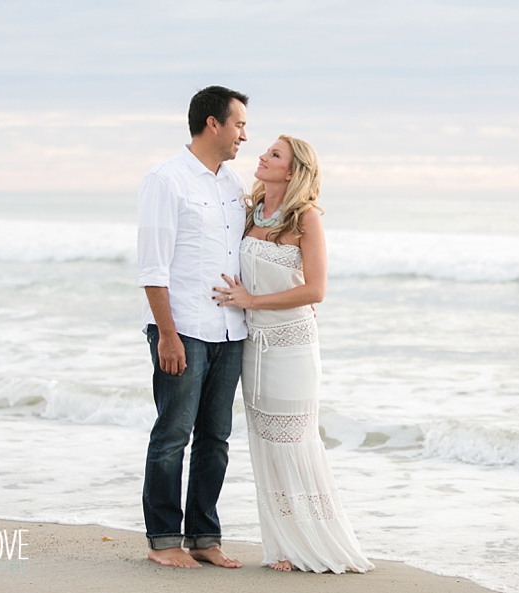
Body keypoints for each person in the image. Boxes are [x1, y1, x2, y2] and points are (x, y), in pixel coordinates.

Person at [214, 135, 375, 574]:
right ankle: (282, 545)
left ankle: (314, 540)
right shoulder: (249, 213)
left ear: (293, 170)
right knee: (264, 443)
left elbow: (315, 290)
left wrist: (251, 301)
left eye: (274, 154)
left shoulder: (306, 219)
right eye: (266, 151)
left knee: (294, 440)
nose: (263, 157)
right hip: (253, 347)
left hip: (293, 345)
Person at [137, 85, 249, 569]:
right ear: (213, 124)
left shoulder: (232, 183)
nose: (245, 134)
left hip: (231, 330)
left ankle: (204, 535)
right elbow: (152, 267)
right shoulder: (165, 180)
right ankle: (163, 539)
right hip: (182, 328)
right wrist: (166, 334)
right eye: (240, 124)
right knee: (173, 434)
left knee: (216, 438)